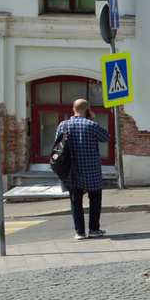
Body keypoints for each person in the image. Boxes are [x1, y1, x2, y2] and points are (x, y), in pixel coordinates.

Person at [57, 98, 110, 240]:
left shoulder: (64, 125)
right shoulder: (91, 125)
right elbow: (106, 137)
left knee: (75, 200)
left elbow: (57, 144)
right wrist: (94, 120)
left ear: (73, 109)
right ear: (88, 110)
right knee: (95, 198)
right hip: (91, 169)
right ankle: (94, 229)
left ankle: (79, 232)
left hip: (72, 170)